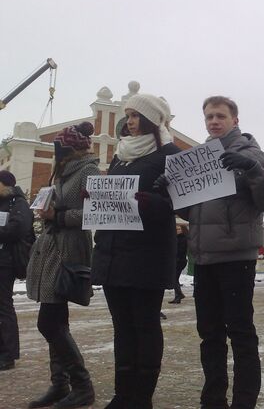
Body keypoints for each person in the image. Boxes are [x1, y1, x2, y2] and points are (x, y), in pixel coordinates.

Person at [182, 96, 264, 409]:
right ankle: (213, 399)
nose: (213, 121)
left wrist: (252, 170)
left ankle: (244, 401)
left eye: (220, 116)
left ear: (234, 120)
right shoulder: (197, 159)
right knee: (209, 334)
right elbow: (190, 209)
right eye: (209, 116)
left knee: (240, 332)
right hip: (203, 257)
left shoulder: (251, 152)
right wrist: (166, 189)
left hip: (236, 257)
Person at [92, 94, 181, 409]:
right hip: (113, 252)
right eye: (127, 115)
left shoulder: (170, 154)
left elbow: (177, 203)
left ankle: (142, 397)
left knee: (144, 324)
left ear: (152, 120)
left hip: (147, 255)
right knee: (122, 327)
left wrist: (146, 201)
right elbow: (115, 200)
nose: (129, 121)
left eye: (135, 116)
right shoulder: (120, 156)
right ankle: (122, 393)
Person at [26, 122, 99, 409]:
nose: (56, 151)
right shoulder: (61, 171)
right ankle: (60, 384)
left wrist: (59, 215)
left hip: (69, 249)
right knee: (57, 320)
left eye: (60, 146)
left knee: (49, 322)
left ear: (71, 147)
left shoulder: (88, 170)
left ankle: (82, 386)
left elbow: (96, 211)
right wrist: (47, 212)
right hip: (51, 246)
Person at [0, 170, 33, 371]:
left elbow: (17, 229)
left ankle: (8, 355)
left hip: (7, 263)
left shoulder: (18, 203)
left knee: (4, 307)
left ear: (4, 184)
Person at [168, 223, 188, 304]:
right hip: (178, 261)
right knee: (175, 279)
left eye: (179, 229)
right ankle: (178, 296)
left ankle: (179, 295)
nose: (177, 231)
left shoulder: (183, 239)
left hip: (180, 261)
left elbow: (180, 251)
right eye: (176, 229)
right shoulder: (176, 238)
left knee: (174, 279)